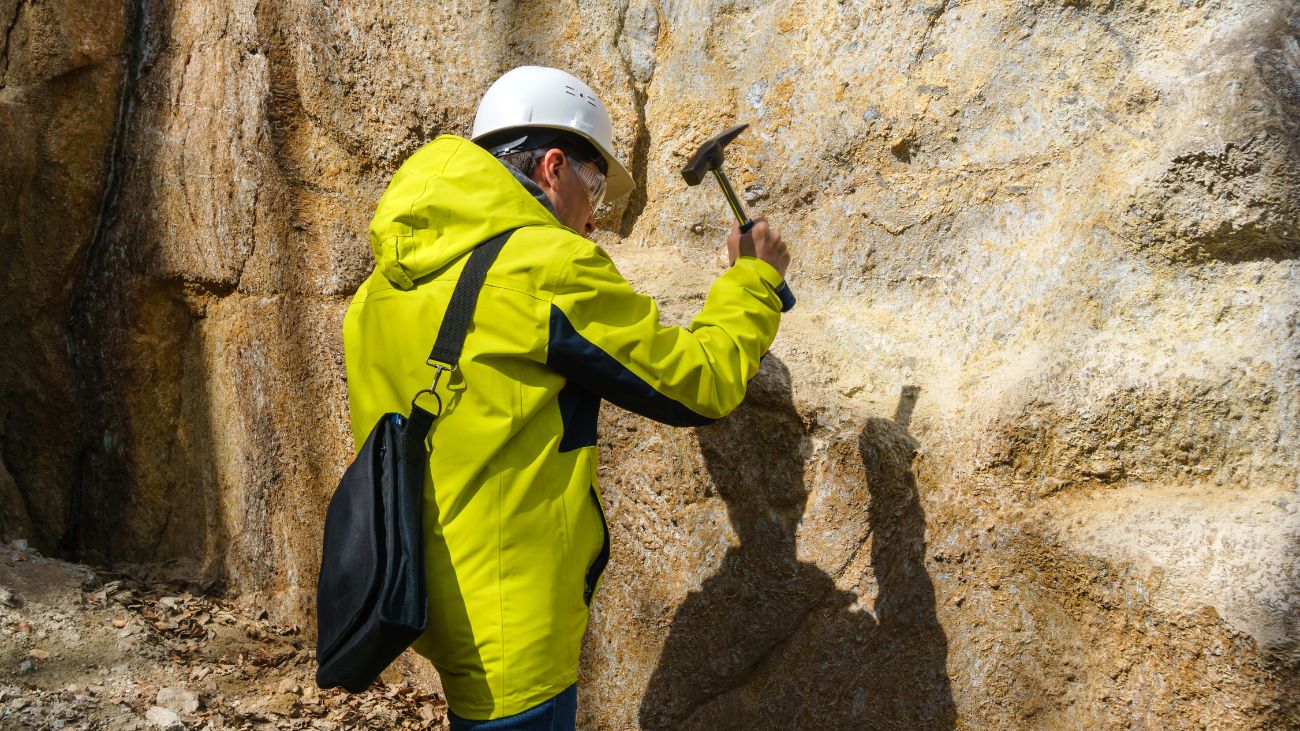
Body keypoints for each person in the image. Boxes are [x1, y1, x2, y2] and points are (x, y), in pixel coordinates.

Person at [341, 66, 790, 729]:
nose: (595, 215)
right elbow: (700, 383)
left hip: (423, 593)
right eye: (596, 184)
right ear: (554, 167)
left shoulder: (384, 283)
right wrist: (753, 280)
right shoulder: (543, 267)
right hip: (511, 623)